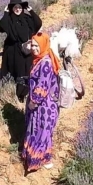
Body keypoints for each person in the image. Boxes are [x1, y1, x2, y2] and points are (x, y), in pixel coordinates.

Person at [22, 32, 61, 173]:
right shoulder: (40, 59)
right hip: (41, 105)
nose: (33, 48)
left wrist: (33, 102)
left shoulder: (45, 64)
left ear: (43, 45)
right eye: (32, 45)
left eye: (36, 45)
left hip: (43, 107)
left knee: (40, 131)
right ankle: (39, 158)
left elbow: (42, 87)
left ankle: (39, 160)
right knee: (40, 132)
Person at [0, 0, 43, 101]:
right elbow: (2, 26)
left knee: (28, 69)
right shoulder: (9, 19)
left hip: (26, 48)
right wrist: (5, 13)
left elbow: (38, 23)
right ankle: (18, 95)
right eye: (15, 7)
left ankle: (26, 92)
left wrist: (31, 11)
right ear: (11, 9)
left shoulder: (27, 18)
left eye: (19, 7)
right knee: (18, 71)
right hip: (13, 50)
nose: (17, 9)